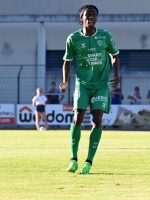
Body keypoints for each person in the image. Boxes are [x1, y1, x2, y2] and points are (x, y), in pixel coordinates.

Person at [59, 5, 120, 174]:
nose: (91, 18)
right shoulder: (73, 39)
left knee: (97, 118)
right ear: (82, 19)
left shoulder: (105, 36)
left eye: (94, 15)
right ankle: (73, 159)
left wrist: (117, 74)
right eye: (88, 15)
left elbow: (114, 56)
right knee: (78, 116)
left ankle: (89, 162)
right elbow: (67, 61)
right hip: (83, 84)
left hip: (101, 84)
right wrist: (64, 81)